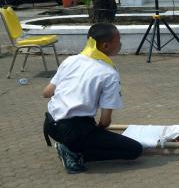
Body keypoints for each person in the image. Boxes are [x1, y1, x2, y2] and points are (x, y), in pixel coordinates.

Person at [43, 23, 143, 174]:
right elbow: (105, 121)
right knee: (134, 150)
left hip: (50, 125)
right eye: (119, 40)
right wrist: (97, 131)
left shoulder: (71, 60)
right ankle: (74, 153)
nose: (120, 43)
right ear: (106, 46)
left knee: (90, 135)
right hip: (74, 131)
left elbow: (47, 92)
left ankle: (71, 146)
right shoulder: (109, 73)